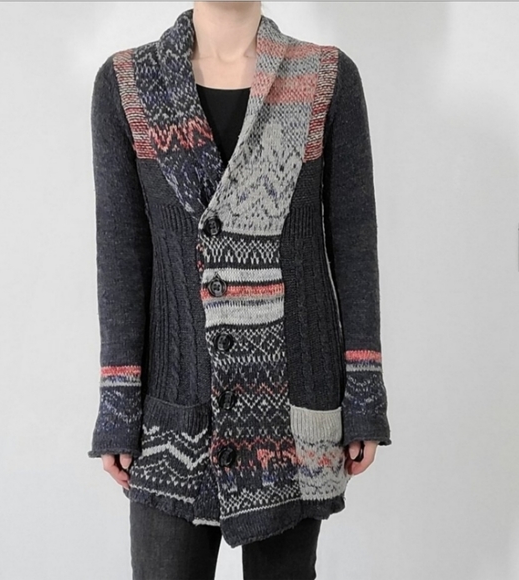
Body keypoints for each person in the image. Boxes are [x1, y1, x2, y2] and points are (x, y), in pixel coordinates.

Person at [87, 2, 392, 579]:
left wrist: (364, 397)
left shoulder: (324, 77)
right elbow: (122, 256)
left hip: (295, 411)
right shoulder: (128, 84)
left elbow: (354, 245)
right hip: (171, 412)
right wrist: (118, 405)